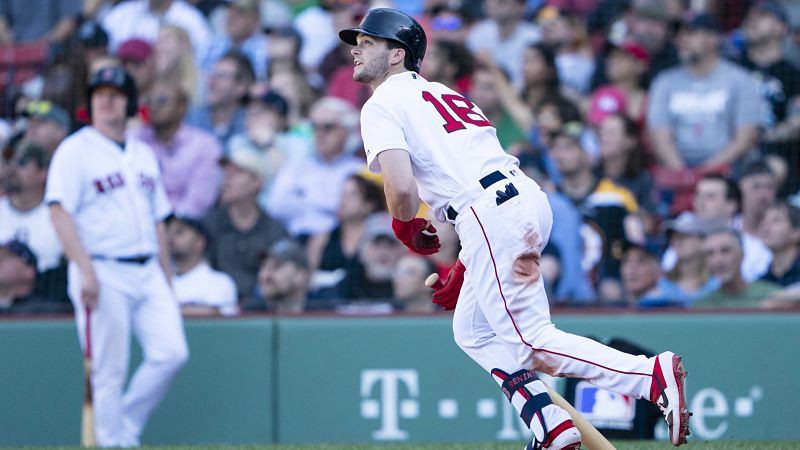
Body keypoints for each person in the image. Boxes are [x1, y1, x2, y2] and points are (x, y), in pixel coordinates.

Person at [339, 8, 690, 449]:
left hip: (490, 211)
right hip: (516, 201)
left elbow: (402, 191)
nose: (355, 48)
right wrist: (468, 265)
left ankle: (648, 377)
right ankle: (552, 427)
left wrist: (403, 224)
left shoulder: (382, 102)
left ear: (396, 55)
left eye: (367, 42)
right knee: (473, 331)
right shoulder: (442, 93)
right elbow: (469, 174)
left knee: (531, 342)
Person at [45, 66, 188, 447]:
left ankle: (124, 429)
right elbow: (59, 212)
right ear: (90, 102)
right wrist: (85, 271)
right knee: (109, 371)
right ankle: (112, 441)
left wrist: (166, 275)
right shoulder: (74, 150)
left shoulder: (142, 153)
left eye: (115, 94)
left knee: (172, 353)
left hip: (147, 270)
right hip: (102, 268)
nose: (106, 100)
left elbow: (158, 220)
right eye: (99, 94)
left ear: (128, 103)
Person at [647, 13, 761, 170]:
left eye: (690, 34)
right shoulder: (664, 82)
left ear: (713, 39)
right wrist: (685, 174)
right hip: (677, 172)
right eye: (678, 35)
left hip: (728, 169)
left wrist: (705, 172)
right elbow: (660, 138)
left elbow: (744, 139)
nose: (681, 40)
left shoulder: (740, 80)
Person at [266, 96, 365, 239]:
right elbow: (276, 206)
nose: (319, 133)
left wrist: (303, 197)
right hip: (294, 241)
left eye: (328, 127)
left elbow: (348, 213)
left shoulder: (358, 170)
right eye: (314, 127)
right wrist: (326, 207)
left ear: (346, 131)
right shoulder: (296, 166)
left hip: (335, 244)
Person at [203, 145, 289, 303]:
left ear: (257, 181)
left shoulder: (275, 230)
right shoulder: (209, 225)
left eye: (235, 174)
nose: (226, 180)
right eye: (225, 174)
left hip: (260, 311)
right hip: (215, 308)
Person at [136, 79, 222, 218]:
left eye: (162, 100)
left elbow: (198, 203)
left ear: (182, 107)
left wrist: (167, 224)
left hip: (186, 227)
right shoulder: (135, 141)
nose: (153, 106)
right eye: (148, 101)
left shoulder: (205, 146)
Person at [0, 143, 68, 306]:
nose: (12, 170)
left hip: (49, 299)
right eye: (10, 163)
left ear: (43, 173)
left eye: (22, 163)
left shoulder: (58, 213)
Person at [167, 215, 238, 316]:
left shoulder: (220, 282)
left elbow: (214, 314)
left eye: (180, 232)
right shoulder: (158, 281)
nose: (171, 237)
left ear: (200, 242)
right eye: (168, 232)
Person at [695, 228, 780, 308]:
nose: (718, 260)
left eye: (725, 251)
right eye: (710, 254)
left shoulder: (771, 296)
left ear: (742, 255)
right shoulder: (704, 305)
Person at [186, 50, 254, 144]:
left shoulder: (249, 124)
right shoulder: (191, 117)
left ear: (241, 86)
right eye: (212, 74)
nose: (212, 81)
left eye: (222, 76)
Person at [250, 238, 311, 313]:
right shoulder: (248, 315)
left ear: (300, 275)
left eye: (276, 266)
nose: (264, 276)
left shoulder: (325, 315)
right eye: (263, 266)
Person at [758, 201, 800, 286]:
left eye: (776, 220)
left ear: (796, 232)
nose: (766, 225)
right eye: (764, 219)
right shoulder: (761, 282)